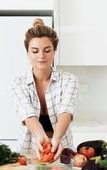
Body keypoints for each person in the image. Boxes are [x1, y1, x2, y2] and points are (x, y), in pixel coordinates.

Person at [10, 18, 78, 160]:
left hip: (63, 149)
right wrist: (42, 136)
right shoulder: (18, 84)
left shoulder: (69, 80)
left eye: (47, 50)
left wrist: (56, 138)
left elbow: (66, 112)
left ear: (54, 51)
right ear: (27, 52)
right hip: (28, 151)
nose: (41, 56)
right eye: (35, 51)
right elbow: (28, 115)